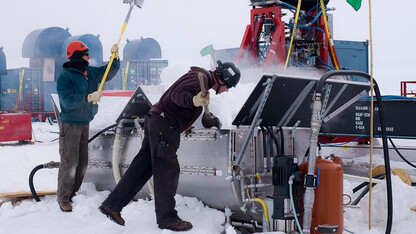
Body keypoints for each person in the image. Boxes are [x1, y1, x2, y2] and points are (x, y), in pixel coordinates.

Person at [99, 60, 241, 231]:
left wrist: (193, 118)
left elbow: (181, 102)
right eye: (228, 86)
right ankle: (167, 218)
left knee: (142, 168)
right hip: (165, 124)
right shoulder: (199, 78)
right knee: (167, 170)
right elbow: (178, 96)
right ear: (222, 78)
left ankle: (112, 205)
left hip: (158, 121)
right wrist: (193, 100)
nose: (226, 91)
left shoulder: (202, 81)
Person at [56, 41, 120, 212]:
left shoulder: (89, 72)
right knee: (70, 162)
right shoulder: (66, 77)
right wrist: (88, 97)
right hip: (70, 124)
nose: (89, 57)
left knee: (82, 162)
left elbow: (107, 73)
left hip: (85, 122)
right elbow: (67, 101)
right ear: (77, 55)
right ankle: (63, 197)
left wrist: (115, 58)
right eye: (85, 54)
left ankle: (73, 193)